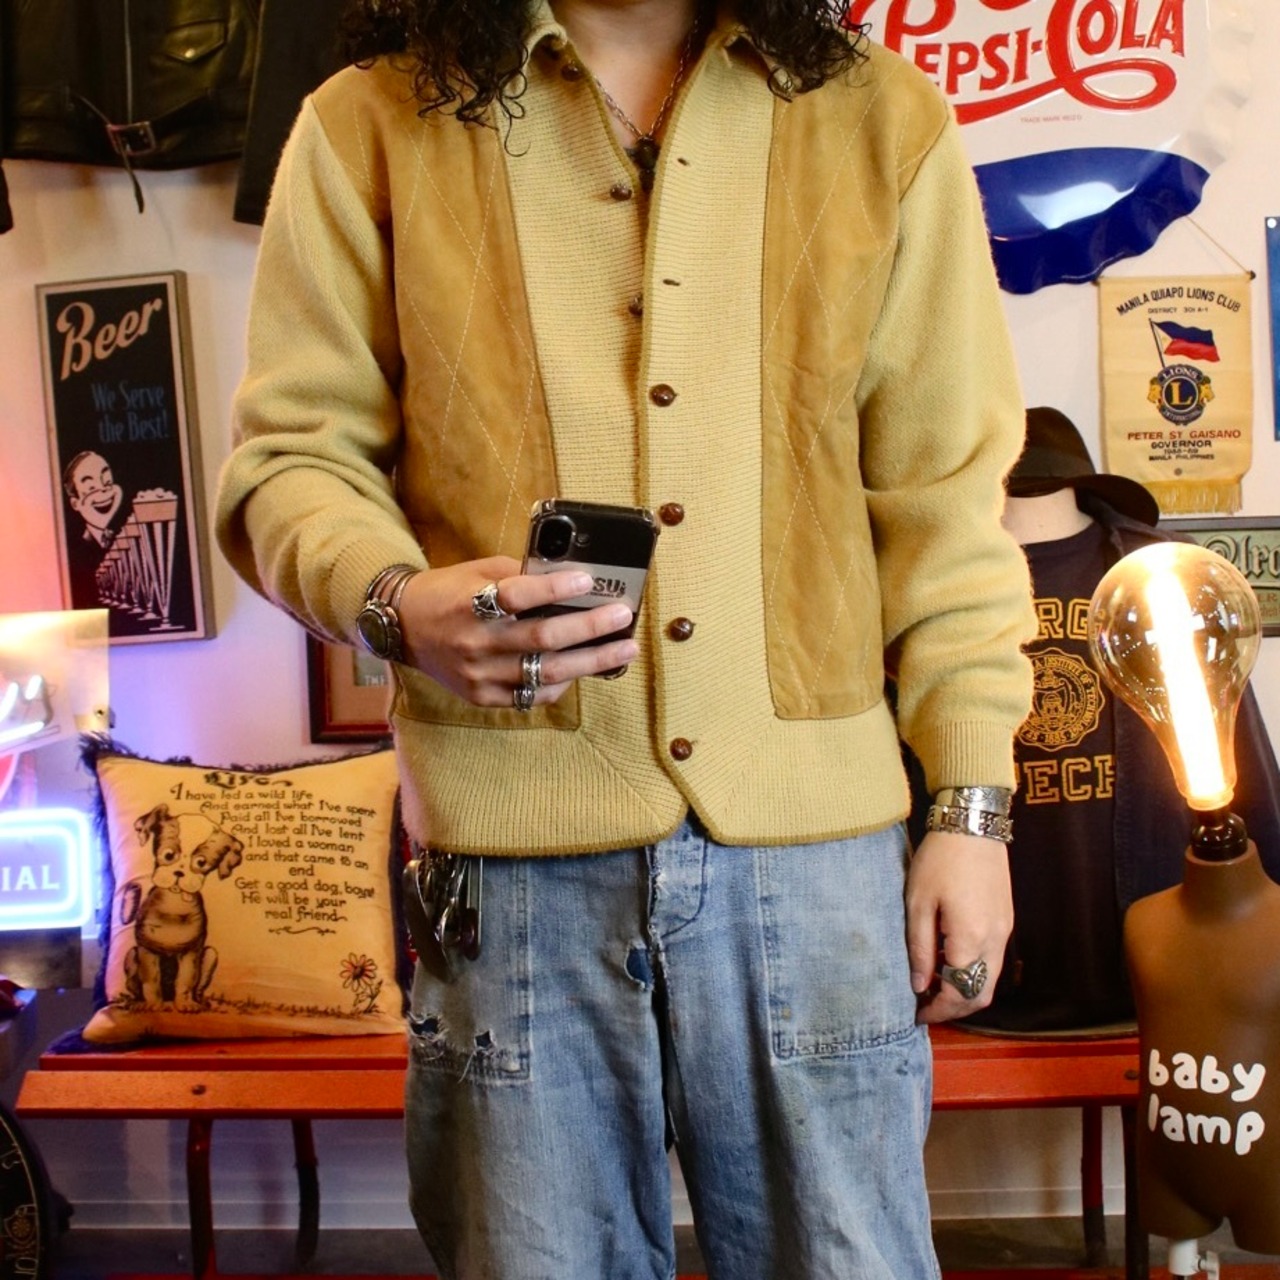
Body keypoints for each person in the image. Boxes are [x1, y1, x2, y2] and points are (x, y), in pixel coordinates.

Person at [215, 2, 1037, 1276]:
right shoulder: (366, 122)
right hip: (508, 876)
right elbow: (289, 461)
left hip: (817, 869)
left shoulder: (879, 119)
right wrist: (397, 603)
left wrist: (970, 810)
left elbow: (942, 505)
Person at [912, 406, 1280, 1036]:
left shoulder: (1162, 580)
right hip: (979, 985)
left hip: (1169, 980)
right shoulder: (933, 589)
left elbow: (1240, 760)